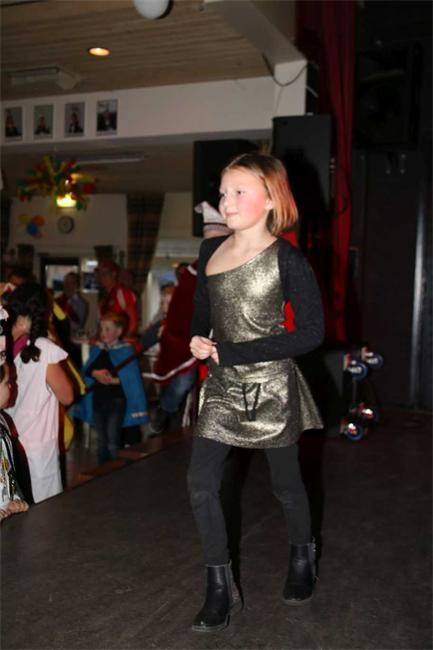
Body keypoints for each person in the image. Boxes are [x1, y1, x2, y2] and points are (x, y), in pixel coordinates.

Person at [187, 152, 324, 632]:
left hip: (271, 388)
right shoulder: (209, 251)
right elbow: (202, 312)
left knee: (286, 486)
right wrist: (197, 338)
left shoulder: (288, 259)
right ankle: (219, 587)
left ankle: (303, 555)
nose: (226, 202)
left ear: (270, 199)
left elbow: (311, 333)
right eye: (223, 192)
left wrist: (235, 352)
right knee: (201, 482)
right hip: (223, 387)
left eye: (239, 192)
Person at [148, 203, 232, 435]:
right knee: (184, 381)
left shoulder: (237, 267)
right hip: (191, 338)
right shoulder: (194, 272)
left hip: (226, 341)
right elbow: (182, 309)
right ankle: (166, 411)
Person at [4, 283, 74, 503]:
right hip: (37, 447)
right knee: (44, 511)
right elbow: (67, 396)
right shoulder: (43, 349)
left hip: (10, 440)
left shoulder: (6, 344)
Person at [74, 312, 149, 465]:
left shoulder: (126, 351)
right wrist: (95, 373)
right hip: (98, 401)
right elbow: (87, 370)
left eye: (108, 329)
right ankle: (103, 470)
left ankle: (115, 471)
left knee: (112, 441)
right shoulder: (97, 349)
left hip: (116, 402)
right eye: (102, 329)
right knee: (101, 441)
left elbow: (131, 378)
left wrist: (113, 380)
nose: (103, 333)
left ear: (119, 331)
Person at [0, 306, 29, 521]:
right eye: (7, 383)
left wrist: (13, 497)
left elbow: (6, 468)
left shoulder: (3, 421)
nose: (12, 387)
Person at [96, 260, 138, 338]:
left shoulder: (122, 292)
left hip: (120, 340)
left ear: (114, 274)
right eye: (99, 274)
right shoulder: (104, 299)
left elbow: (133, 321)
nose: (101, 277)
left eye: (105, 274)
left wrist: (124, 341)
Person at [56, 272, 88, 368]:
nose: (68, 286)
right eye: (66, 282)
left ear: (76, 285)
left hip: (73, 345)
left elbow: (78, 324)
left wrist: (67, 312)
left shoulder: (81, 303)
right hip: (59, 342)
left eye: (71, 283)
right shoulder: (58, 300)